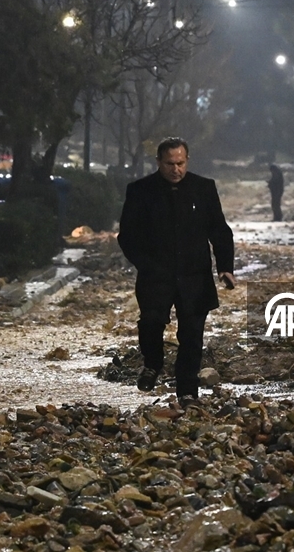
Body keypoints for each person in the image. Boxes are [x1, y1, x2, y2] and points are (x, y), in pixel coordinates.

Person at [117, 137, 236, 408]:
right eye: (169, 163)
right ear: (159, 162)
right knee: (151, 323)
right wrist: (145, 264)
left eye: (180, 163)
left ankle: (188, 392)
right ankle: (152, 363)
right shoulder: (140, 191)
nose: (175, 169)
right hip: (155, 274)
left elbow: (219, 230)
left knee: (192, 335)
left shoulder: (203, 189)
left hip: (195, 275)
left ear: (187, 161)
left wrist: (226, 267)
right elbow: (128, 235)